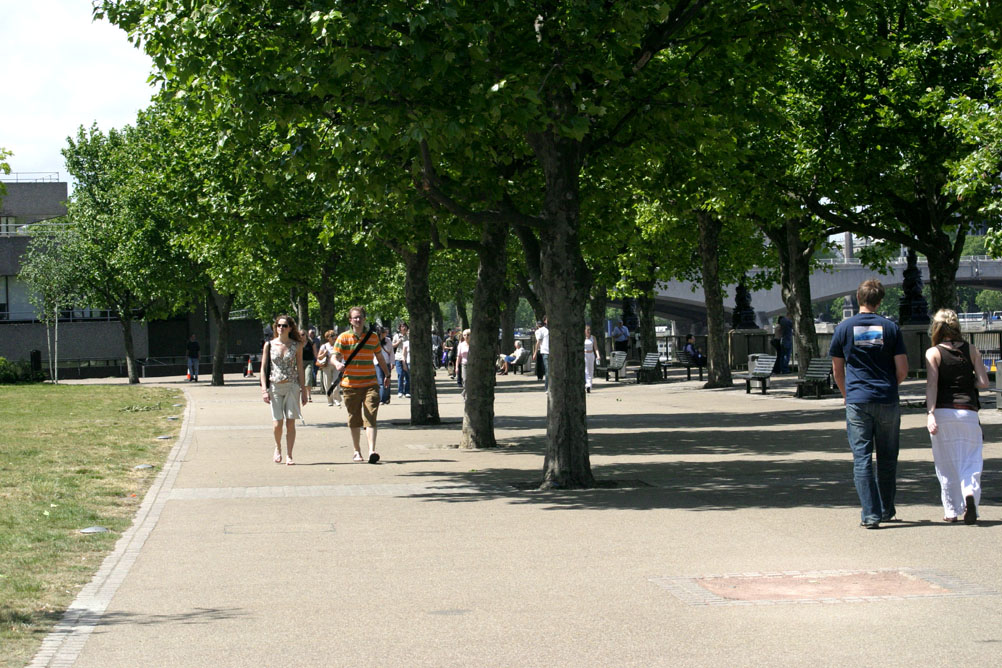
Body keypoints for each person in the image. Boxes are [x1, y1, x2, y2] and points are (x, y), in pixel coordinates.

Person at [830, 279, 908, 529]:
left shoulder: (843, 328)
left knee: (862, 458)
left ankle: (871, 514)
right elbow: (903, 369)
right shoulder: (891, 328)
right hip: (886, 398)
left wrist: (847, 394)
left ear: (858, 298)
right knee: (887, 457)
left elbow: (838, 370)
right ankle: (886, 509)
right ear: (880, 300)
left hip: (857, 400)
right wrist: (889, 385)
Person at [925, 309, 990, 524]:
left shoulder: (933, 353)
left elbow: (932, 384)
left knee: (946, 463)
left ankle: (951, 511)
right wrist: (966, 383)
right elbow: (983, 383)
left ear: (936, 328)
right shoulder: (971, 350)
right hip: (968, 412)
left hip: (943, 412)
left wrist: (930, 413)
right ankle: (969, 493)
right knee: (971, 460)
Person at [333, 306, 391, 464]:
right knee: (354, 419)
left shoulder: (372, 337)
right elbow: (334, 356)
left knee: (371, 416)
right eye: (355, 317)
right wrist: (337, 364)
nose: (358, 320)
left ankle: (372, 450)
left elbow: (380, 358)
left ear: (364, 319)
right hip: (350, 385)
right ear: (350, 320)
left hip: (370, 383)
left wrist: (387, 375)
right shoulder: (343, 337)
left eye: (360, 317)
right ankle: (357, 451)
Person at [260, 315, 308, 465]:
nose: (281, 328)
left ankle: (290, 454)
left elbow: (300, 368)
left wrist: (304, 391)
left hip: (292, 386)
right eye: (279, 325)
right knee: (277, 423)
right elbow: (263, 369)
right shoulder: (269, 345)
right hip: (275, 386)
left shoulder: (297, 345)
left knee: (290, 422)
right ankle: (278, 447)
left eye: (285, 325)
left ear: (290, 328)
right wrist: (264, 389)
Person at [317, 329, 341, 407]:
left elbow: (343, 355)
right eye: (332, 336)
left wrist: (339, 356)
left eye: (335, 335)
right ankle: (330, 400)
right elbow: (319, 357)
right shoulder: (324, 346)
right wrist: (324, 354)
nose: (334, 337)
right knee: (327, 384)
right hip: (326, 366)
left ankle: (337, 400)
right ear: (328, 337)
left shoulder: (338, 345)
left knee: (335, 383)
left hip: (336, 366)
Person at [375, 326, 394, 405]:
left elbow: (391, 352)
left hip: (386, 362)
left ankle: (386, 398)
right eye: (382, 333)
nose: (384, 334)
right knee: (380, 381)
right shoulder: (375, 341)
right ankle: (381, 399)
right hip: (377, 363)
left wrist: (392, 362)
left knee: (387, 380)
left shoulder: (388, 340)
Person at [393, 322, 411, 398]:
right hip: (398, 357)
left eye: (405, 326)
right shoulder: (396, 336)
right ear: (400, 328)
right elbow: (393, 345)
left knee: (407, 375)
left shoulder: (409, 336)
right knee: (400, 374)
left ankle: (407, 391)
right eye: (402, 326)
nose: (404, 328)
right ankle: (400, 391)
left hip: (407, 357)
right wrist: (399, 341)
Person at [533, 317, 550, 390]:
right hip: (545, 352)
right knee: (547, 370)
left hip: (553, 353)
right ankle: (547, 388)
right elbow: (538, 342)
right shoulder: (542, 330)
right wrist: (535, 352)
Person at [300, 329, 316, 401]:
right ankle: (303, 395)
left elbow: (315, 353)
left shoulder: (311, 343)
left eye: (303, 334)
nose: (301, 336)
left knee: (308, 378)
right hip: (300, 362)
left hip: (309, 362)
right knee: (301, 380)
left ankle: (309, 395)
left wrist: (320, 361)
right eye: (300, 335)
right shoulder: (297, 343)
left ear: (306, 335)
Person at [584, 325, 601, 393]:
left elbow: (595, 347)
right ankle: (587, 384)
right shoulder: (583, 338)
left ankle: (589, 386)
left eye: (589, 330)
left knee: (591, 369)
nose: (589, 331)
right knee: (586, 370)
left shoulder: (593, 337)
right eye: (587, 330)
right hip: (585, 354)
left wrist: (598, 355)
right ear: (585, 331)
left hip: (591, 354)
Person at [455, 329, 471, 394]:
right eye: (465, 335)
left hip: (473, 364)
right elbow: (458, 357)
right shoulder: (461, 345)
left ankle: (465, 394)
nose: (466, 336)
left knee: (472, 381)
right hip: (464, 365)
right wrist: (456, 367)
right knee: (465, 380)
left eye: (468, 335)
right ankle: (466, 395)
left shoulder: (474, 345)